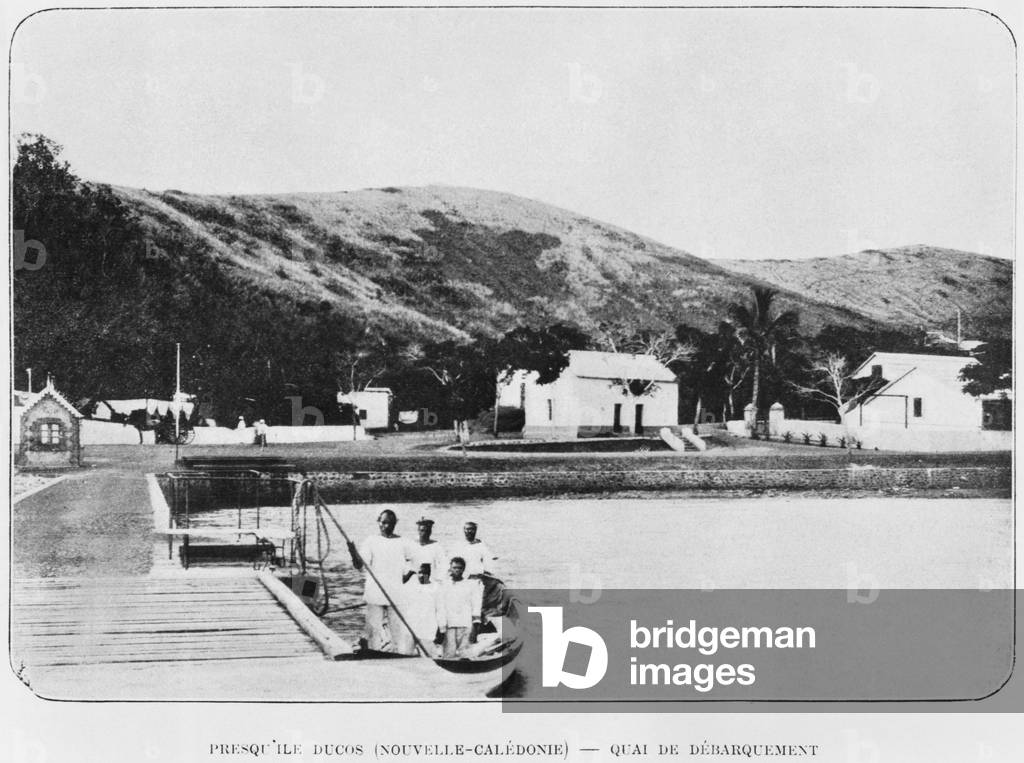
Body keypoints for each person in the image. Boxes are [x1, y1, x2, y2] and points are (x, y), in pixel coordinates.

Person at [347, 509, 414, 652]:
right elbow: (359, 565)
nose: (386, 526)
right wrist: (352, 552)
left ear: (395, 523)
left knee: (397, 628)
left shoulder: (404, 542)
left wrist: (406, 577)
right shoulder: (371, 541)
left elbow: (415, 562)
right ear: (378, 522)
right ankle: (373, 651)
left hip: (396, 591)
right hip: (375, 589)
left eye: (390, 523)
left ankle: (399, 653)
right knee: (373, 627)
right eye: (383, 523)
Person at [433, 557, 483, 658]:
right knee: (448, 654)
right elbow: (440, 606)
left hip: (465, 624)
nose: (457, 570)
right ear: (450, 568)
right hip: (449, 625)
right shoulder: (444, 585)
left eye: (460, 568)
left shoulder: (471, 585)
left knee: (465, 654)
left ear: (463, 569)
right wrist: (441, 626)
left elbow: (476, 606)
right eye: (454, 567)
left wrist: (475, 626)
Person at [395, 563, 441, 656]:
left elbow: (440, 609)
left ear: (429, 573)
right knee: (406, 654)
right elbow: (397, 588)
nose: (421, 575)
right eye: (419, 573)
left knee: (430, 655)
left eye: (424, 573)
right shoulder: (411, 587)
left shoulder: (435, 588)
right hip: (411, 627)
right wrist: (409, 574)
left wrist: (440, 628)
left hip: (427, 629)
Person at [404, 518, 447, 583]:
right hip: (413, 577)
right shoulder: (411, 545)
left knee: (425, 585)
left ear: (430, 531)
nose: (424, 533)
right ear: (418, 531)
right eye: (422, 530)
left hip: (428, 577)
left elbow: (442, 565)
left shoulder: (436, 546)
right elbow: (406, 562)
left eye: (427, 531)